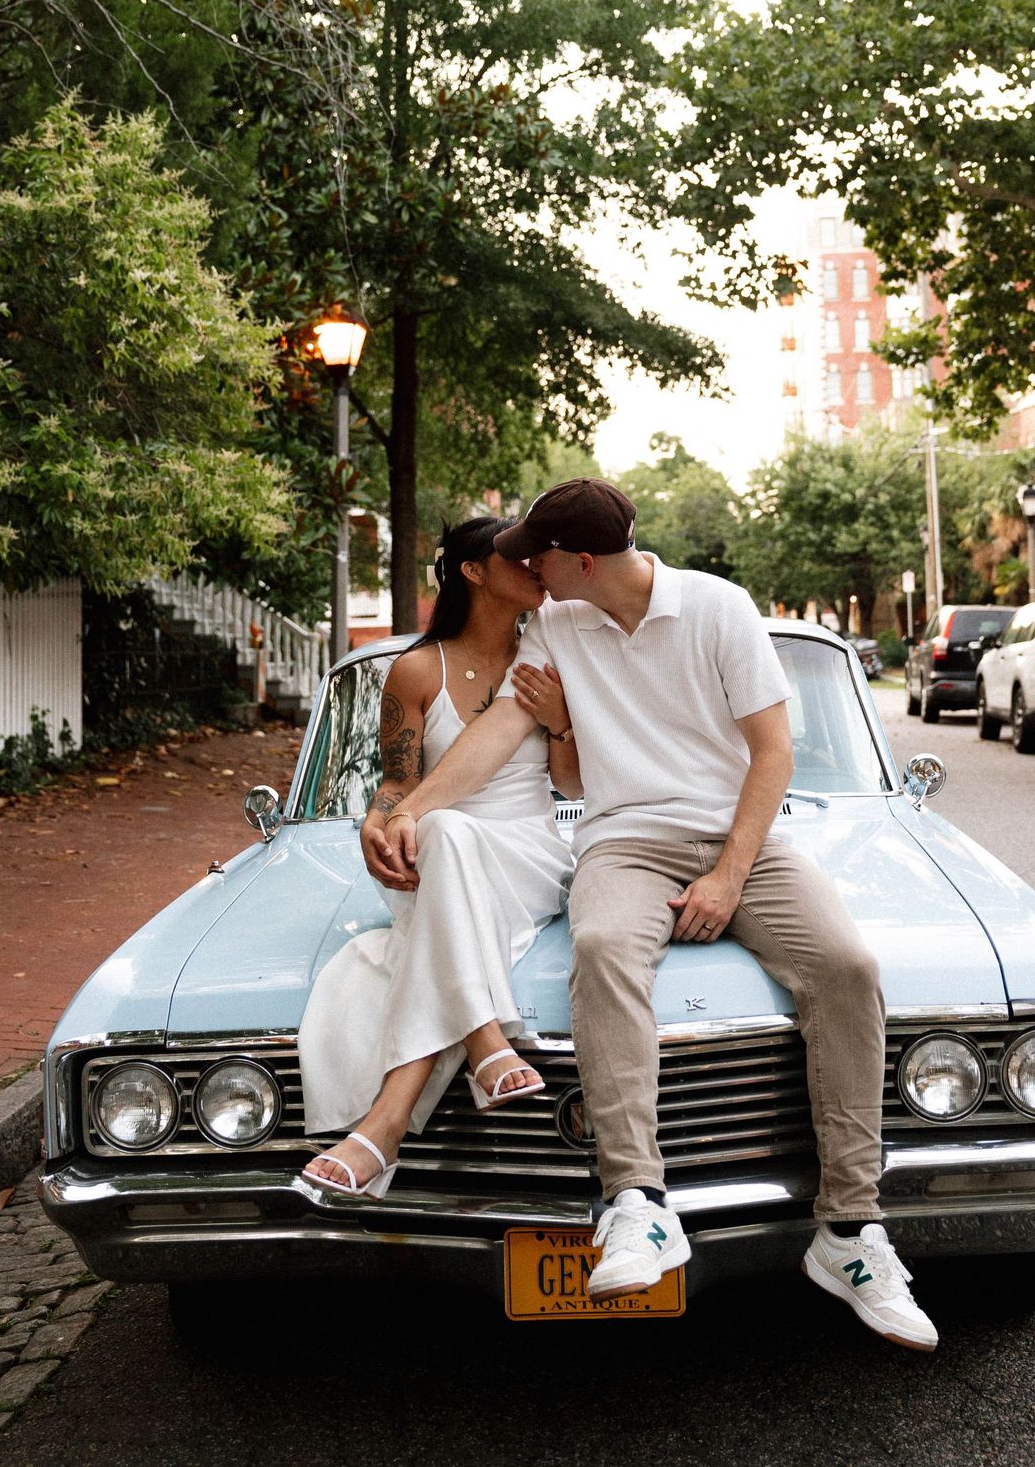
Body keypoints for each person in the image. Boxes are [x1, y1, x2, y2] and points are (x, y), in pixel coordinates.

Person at [365, 478, 938, 1350]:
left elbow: (773, 751)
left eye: (538, 553)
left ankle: (851, 1232)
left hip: (741, 836)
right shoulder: (556, 623)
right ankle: (636, 1201)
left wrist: (729, 877)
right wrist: (410, 809)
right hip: (623, 842)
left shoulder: (719, 608)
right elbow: (492, 737)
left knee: (848, 969)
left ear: (580, 560)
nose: (526, 565)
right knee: (598, 947)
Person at [294, 516, 577, 1199]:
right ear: (474, 571)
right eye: (519, 556)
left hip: (529, 850)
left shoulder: (554, 656)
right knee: (445, 830)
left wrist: (563, 718)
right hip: (434, 849)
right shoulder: (417, 668)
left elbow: (571, 785)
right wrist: (375, 817)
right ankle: (482, 1042)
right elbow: (397, 782)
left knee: (445, 831)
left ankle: (389, 1121)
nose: (538, 566)